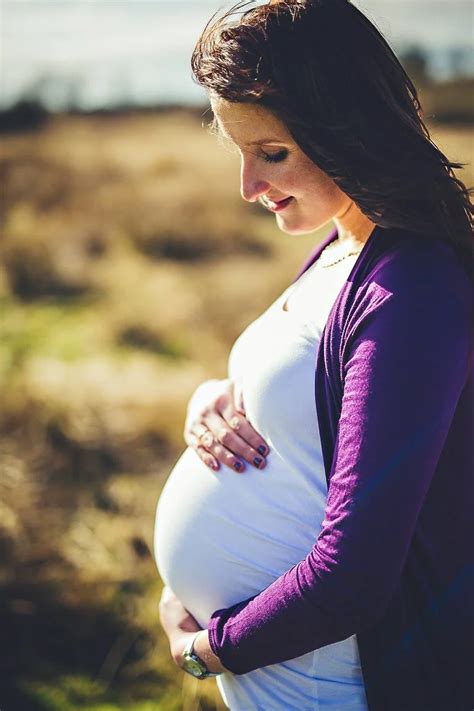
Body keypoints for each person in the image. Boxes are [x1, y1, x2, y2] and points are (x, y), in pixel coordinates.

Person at [155, 1, 474, 709]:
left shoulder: (412, 287)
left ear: (350, 132)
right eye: (239, 153)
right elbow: (313, 396)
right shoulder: (343, 244)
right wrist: (213, 395)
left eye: (272, 153)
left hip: (331, 687)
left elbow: (354, 575)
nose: (248, 186)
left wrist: (205, 649)